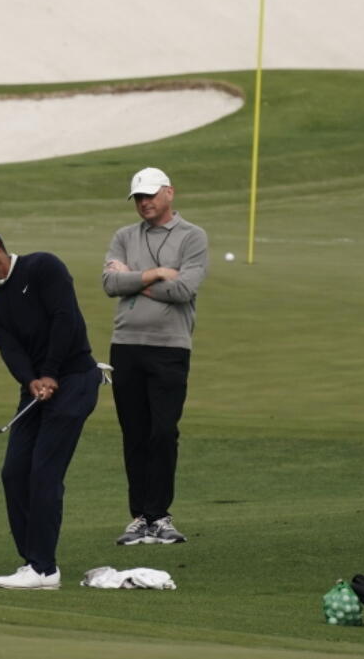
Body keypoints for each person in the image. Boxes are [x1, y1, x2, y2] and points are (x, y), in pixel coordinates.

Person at [0, 228, 101, 590]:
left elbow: (67, 319)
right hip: (37, 390)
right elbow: (13, 354)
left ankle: (45, 569)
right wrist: (32, 380)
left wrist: (49, 372)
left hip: (76, 378)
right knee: (14, 472)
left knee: (45, 472)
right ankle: (32, 560)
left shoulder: (43, 267)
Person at [102, 167, 208, 546]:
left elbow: (183, 290)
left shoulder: (192, 237)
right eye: (138, 198)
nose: (144, 203)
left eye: (149, 195)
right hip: (126, 345)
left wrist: (135, 277)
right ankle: (139, 518)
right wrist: (157, 274)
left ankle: (160, 515)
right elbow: (110, 283)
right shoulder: (124, 235)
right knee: (134, 434)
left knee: (163, 433)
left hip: (170, 347)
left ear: (169, 193)